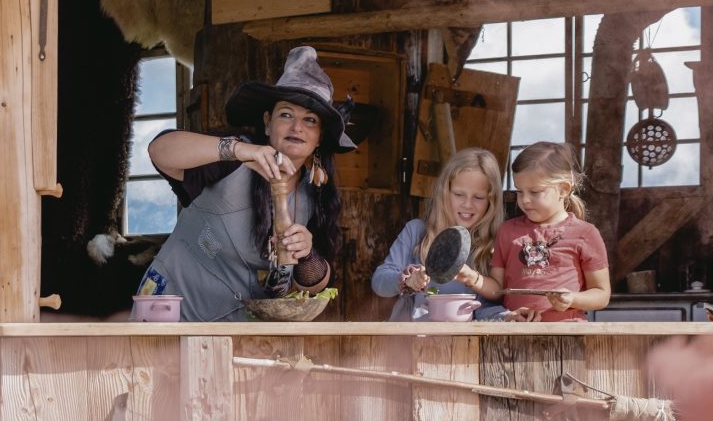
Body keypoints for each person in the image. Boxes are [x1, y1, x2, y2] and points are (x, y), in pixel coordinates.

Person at [139, 46, 357, 322]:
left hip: (237, 332)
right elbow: (160, 151)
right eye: (286, 115)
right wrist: (240, 150)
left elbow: (314, 285)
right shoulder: (232, 158)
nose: (296, 127)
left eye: (309, 120)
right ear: (268, 123)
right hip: (170, 317)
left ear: (319, 137)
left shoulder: (315, 194)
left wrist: (306, 254)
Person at [469, 141, 611, 322]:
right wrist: (470, 277)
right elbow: (497, 290)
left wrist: (572, 299)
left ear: (564, 189)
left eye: (535, 192)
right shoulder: (507, 231)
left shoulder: (586, 234)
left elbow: (602, 294)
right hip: (513, 336)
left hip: (566, 337)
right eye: (520, 192)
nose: (525, 200)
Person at [372, 147, 504, 321]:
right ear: (444, 192)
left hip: (463, 343)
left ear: (491, 201)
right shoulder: (417, 231)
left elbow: (490, 304)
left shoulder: (493, 244)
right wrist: (405, 280)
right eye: (459, 194)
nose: (467, 204)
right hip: (409, 342)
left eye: (478, 197)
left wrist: (506, 316)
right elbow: (379, 282)